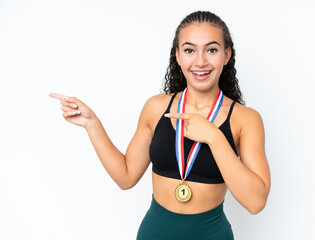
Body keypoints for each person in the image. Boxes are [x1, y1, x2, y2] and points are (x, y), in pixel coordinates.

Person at [49, 10, 271, 240]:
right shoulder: (156, 108)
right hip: (154, 234)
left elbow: (256, 202)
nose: (200, 61)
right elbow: (126, 177)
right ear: (177, 55)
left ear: (226, 55)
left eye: (211, 50)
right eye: (189, 50)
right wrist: (91, 124)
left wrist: (213, 137)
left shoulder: (245, 119)